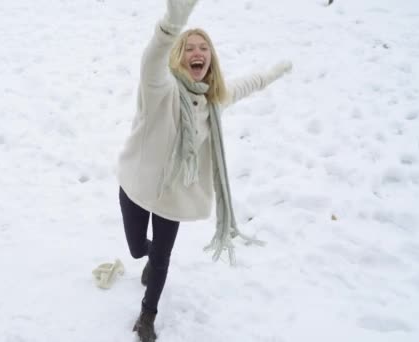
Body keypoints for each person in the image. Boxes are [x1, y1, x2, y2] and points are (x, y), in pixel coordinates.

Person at [117, 1, 292, 341]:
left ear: (210, 58)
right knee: (139, 249)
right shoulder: (160, 90)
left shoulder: (214, 100)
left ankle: (147, 315)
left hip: (176, 194)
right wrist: (172, 24)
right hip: (138, 185)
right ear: (178, 56)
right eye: (190, 47)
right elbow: (151, 60)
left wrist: (272, 73)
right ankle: (147, 259)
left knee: (163, 258)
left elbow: (248, 83)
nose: (198, 52)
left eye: (204, 47)